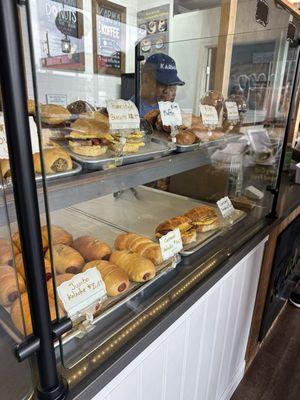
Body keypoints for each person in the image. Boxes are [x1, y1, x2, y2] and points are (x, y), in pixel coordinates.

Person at [136, 53, 185, 117]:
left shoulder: (166, 106)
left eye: (173, 86)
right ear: (145, 78)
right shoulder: (131, 110)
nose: (167, 91)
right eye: (162, 84)